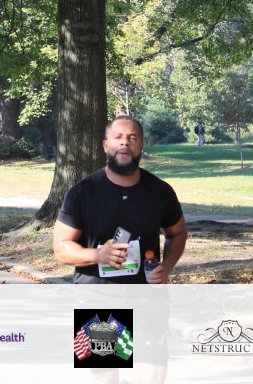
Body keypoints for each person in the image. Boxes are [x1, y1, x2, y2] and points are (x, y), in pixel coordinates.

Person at [53, 115, 187, 284]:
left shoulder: (161, 191)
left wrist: (167, 266)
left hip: (146, 295)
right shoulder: (82, 192)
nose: (125, 142)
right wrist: (97, 255)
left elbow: (178, 234)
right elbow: (61, 248)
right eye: (118, 137)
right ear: (105, 145)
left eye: (132, 138)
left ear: (141, 146)